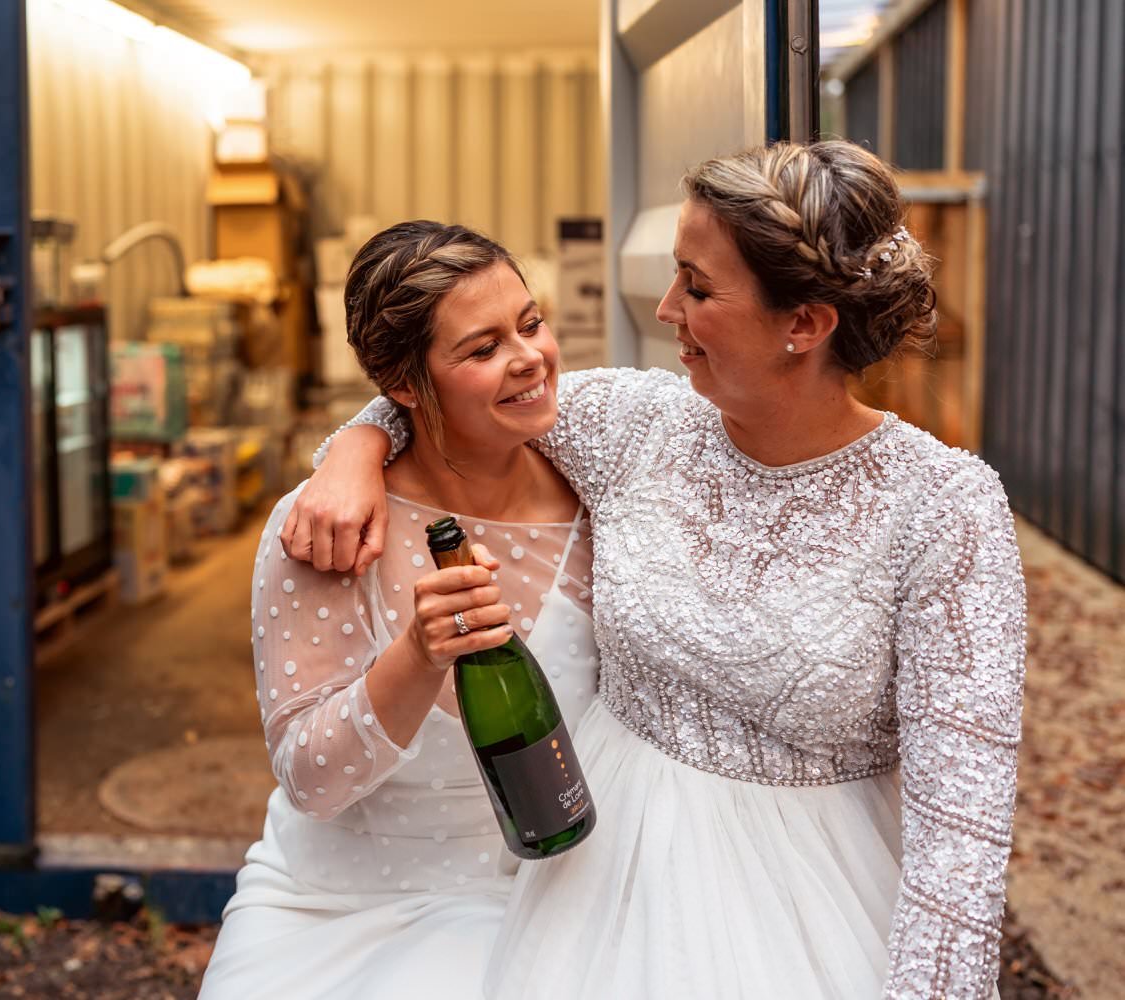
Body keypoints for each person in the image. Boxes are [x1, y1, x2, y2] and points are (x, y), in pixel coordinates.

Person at [281, 140, 1026, 999]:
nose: (667, 307)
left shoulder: (944, 508)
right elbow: (453, 396)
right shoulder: (634, 424)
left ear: (805, 324)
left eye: (698, 288)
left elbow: (961, 831)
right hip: (599, 884)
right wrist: (356, 447)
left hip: (806, 906)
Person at [197, 221, 602, 1000]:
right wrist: (417, 657)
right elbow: (310, 780)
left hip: (553, 889)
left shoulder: (599, 498)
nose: (529, 358)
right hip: (337, 907)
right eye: (482, 350)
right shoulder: (329, 527)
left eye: (531, 324)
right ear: (403, 383)